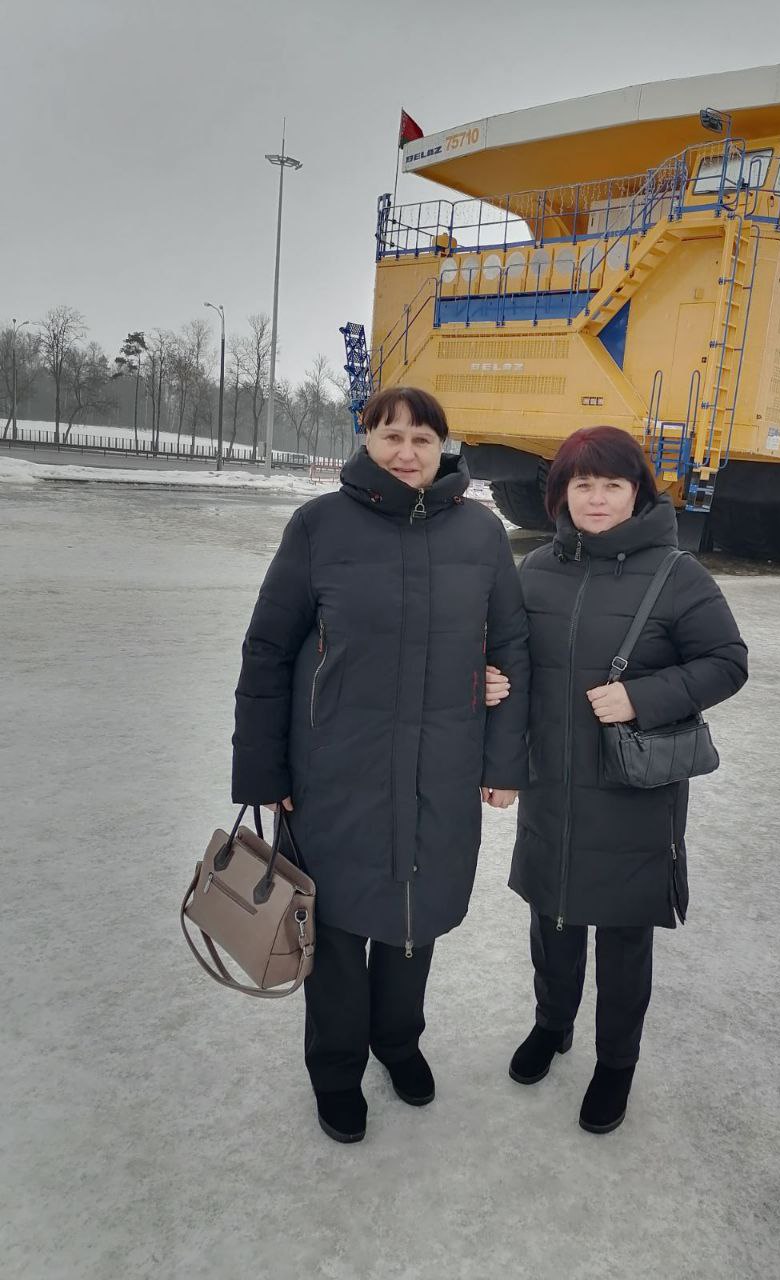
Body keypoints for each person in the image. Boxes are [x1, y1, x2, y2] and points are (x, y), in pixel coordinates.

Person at [232, 386, 529, 1145]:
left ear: (442, 448)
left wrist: (502, 763)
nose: (406, 452)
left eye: (422, 439)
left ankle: (398, 1042)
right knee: (333, 927)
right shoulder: (318, 526)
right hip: (333, 771)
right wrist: (265, 775)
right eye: (390, 435)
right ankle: (336, 1070)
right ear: (366, 439)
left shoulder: (481, 533)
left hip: (442, 768)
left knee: (413, 919)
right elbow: (267, 651)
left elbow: (510, 649)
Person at [490, 426, 748, 1135]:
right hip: (552, 784)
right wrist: (489, 684)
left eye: (612, 485)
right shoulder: (536, 569)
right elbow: (511, 662)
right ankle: (553, 1024)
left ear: (638, 493)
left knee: (625, 937)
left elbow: (727, 662)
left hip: (634, 791)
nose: (597, 499)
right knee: (553, 918)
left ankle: (616, 1063)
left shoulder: (677, 574)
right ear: (561, 492)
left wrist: (643, 696)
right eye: (583, 484)